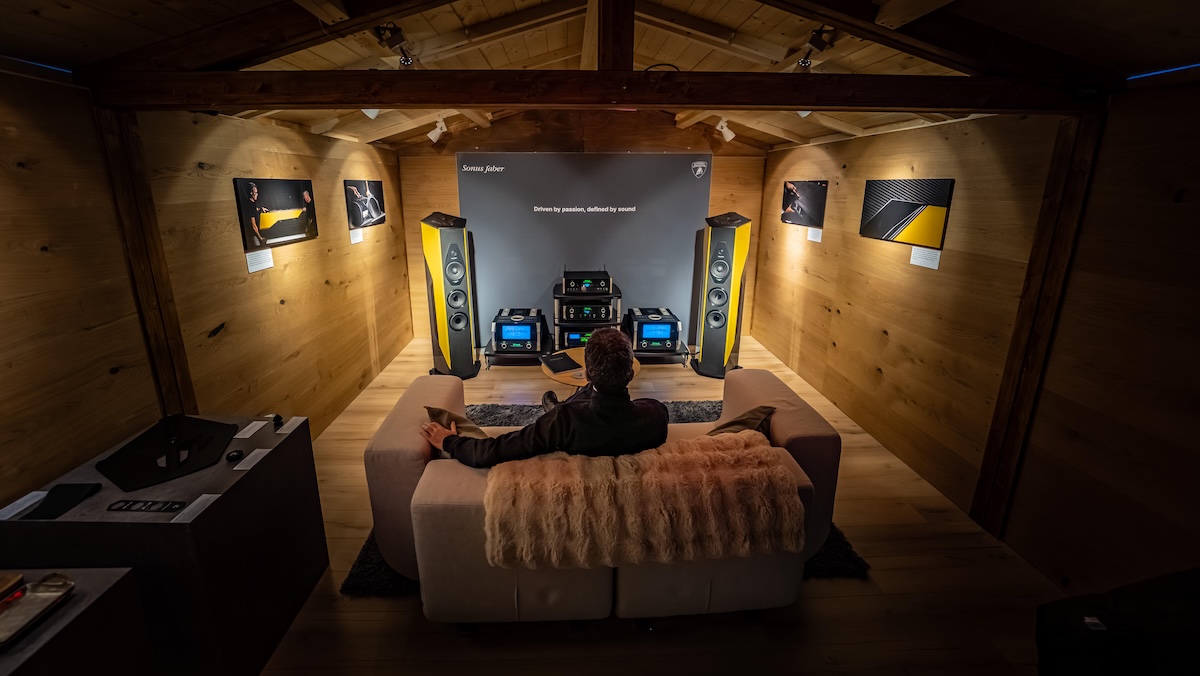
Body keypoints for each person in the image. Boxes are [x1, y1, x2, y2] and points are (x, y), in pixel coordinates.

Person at [419, 328, 668, 468]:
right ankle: (559, 404)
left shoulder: (563, 422)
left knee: (564, 408)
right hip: (595, 417)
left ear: (588, 374)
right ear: (631, 373)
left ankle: (556, 406)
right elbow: (643, 408)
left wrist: (450, 442)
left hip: (576, 423)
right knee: (572, 404)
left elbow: (492, 451)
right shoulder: (656, 416)